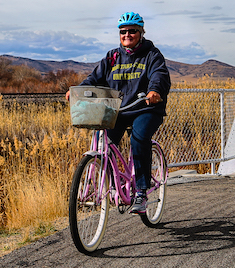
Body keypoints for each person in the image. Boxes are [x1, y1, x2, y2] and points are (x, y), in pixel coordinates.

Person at [67, 11, 170, 215]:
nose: (127, 35)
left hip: (145, 108)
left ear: (141, 32)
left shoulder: (152, 55)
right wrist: (77, 91)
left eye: (132, 31)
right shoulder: (112, 56)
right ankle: (113, 184)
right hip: (119, 110)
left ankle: (141, 190)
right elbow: (95, 77)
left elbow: (159, 75)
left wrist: (155, 91)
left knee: (138, 139)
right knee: (104, 140)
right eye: (123, 31)